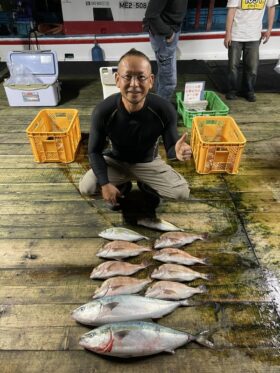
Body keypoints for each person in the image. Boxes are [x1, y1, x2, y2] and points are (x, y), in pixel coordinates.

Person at [79, 49, 192, 221]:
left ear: (151, 81)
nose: (134, 84)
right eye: (127, 77)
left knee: (181, 193)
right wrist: (105, 183)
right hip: (116, 161)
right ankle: (121, 186)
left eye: (141, 77)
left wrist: (177, 151)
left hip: (148, 162)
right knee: (86, 187)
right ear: (117, 79)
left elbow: (170, 147)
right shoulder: (103, 111)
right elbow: (94, 151)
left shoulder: (164, 109)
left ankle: (146, 185)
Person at [224, 0, 278, 102]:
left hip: (254, 35)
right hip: (236, 34)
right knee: (232, 66)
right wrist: (228, 33)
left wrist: (269, 30)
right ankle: (232, 90)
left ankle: (248, 91)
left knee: (252, 67)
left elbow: (271, 7)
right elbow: (231, 11)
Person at [143, 0, 188, 101]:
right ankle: (160, 110)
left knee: (163, 74)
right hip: (164, 36)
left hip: (169, 32)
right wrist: (168, 33)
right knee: (169, 82)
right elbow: (151, 15)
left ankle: (157, 103)